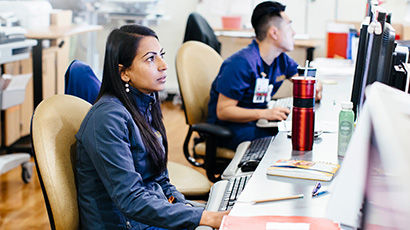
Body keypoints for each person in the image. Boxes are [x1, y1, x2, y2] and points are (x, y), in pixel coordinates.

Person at [75, 24, 228, 230]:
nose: (163, 65)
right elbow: (131, 200)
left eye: (161, 55)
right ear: (124, 72)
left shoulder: (145, 103)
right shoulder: (107, 118)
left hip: (148, 217)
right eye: (150, 58)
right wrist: (203, 218)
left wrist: (188, 209)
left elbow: (161, 181)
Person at [207, 1, 322, 150]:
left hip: (256, 121)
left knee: (293, 135)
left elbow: (302, 77)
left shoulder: (280, 58)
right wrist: (265, 113)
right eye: (289, 26)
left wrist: (315, 86)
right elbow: (224, 111)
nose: (293, 32)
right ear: (274, 32)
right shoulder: (241, 63)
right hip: (231, 128)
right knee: (281, 144)